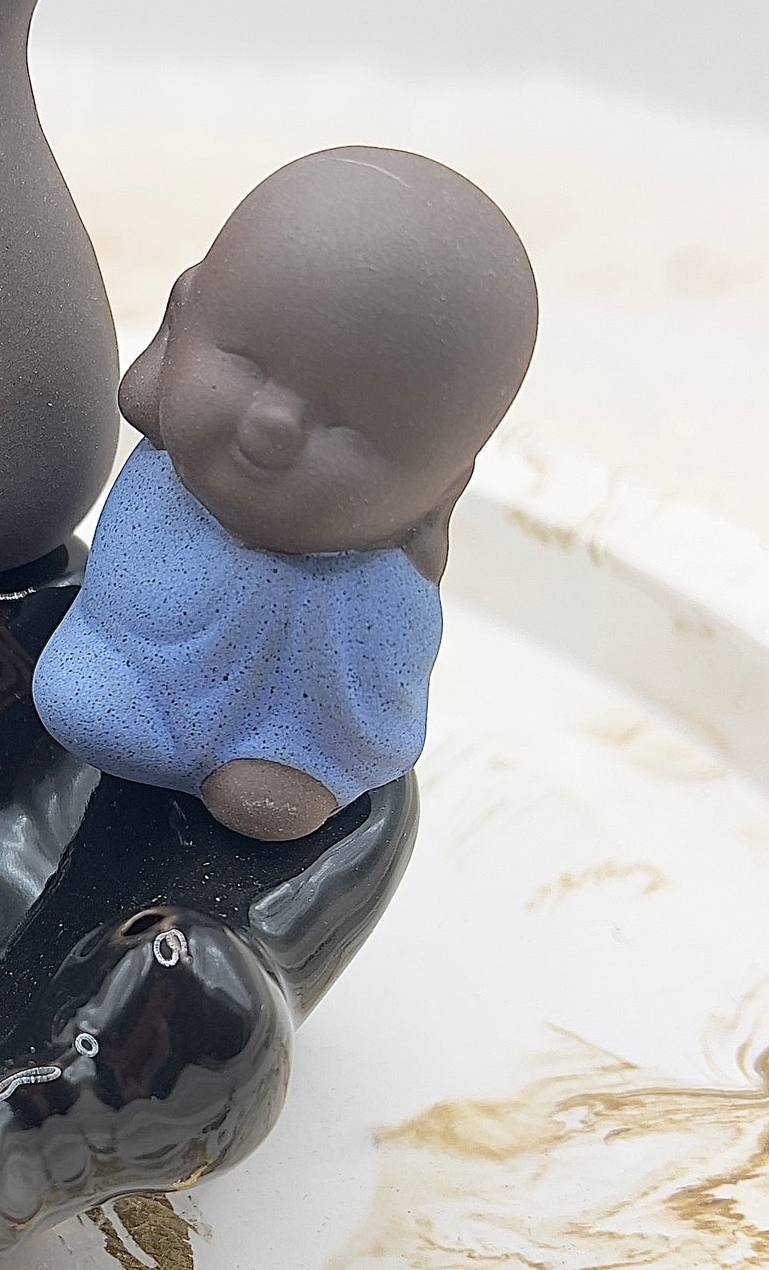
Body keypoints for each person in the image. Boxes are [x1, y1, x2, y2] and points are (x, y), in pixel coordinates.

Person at [32, 145, 538, 840]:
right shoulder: (160, 489)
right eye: (246, 364)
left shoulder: (372, 587)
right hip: (134, 674)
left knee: (290, 752)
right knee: (79, 695)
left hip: (292, 730)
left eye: (348, 424)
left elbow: (376, 697)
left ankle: (293, 770)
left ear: (441, 488)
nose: (274, 424)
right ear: (179, 322)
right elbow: (121, 603)